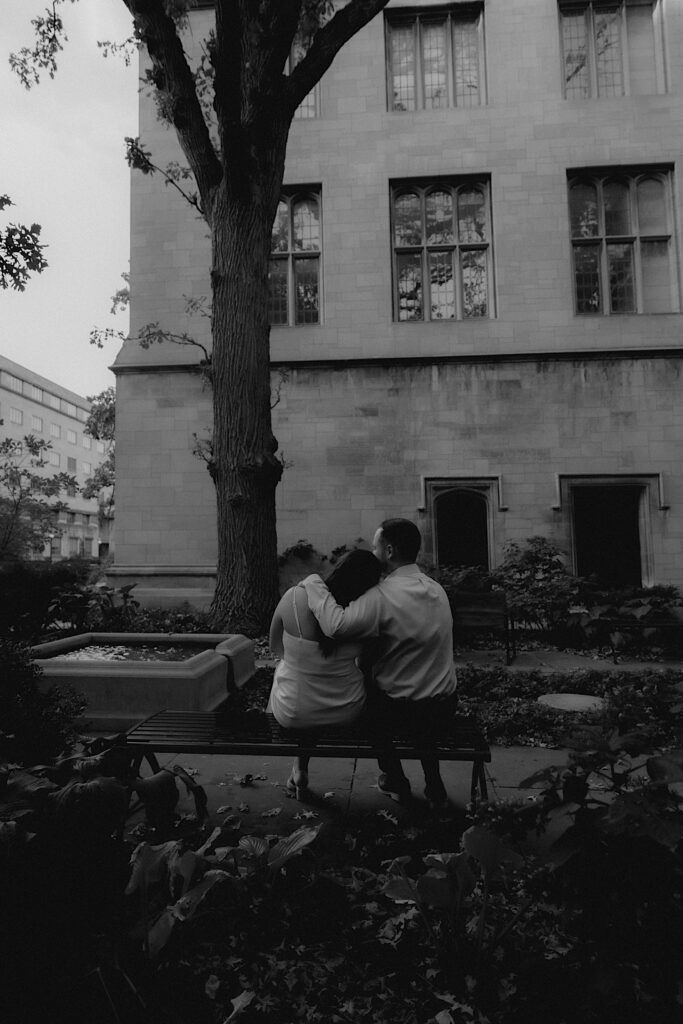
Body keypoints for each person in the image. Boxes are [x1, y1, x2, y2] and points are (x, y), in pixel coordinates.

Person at [302, 518, 456, 811]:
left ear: (388, 550)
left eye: (374, 547)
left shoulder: (381, 595)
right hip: (444, 707)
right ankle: (434, 784)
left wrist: (313, 584)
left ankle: (396, 780)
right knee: (421, 701)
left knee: (367, 703)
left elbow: (336, 625)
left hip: (399, 712)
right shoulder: (437, 590)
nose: (372, 552)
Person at [268, 548, 382, 797]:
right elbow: (365, 665)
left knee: (289, 676)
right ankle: (299, 768)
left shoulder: (294, 597)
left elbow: (275, 646)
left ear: (338, 568)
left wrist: (302, 662)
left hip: (293, 710)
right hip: (345, 708)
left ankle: (299, 769)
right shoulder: (362, 616)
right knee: (320, 691)